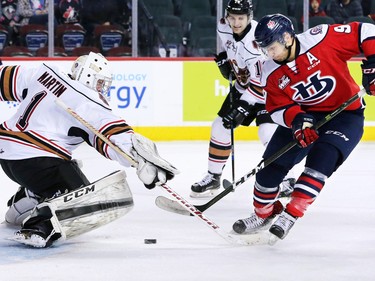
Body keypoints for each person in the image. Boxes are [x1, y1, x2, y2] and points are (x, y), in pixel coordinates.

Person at [0, 52, 178, 247]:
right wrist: (138, 159)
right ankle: (40, 227)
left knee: (69, 168)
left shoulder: (44, 73)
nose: (102, 89)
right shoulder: (86, 100)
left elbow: (4, 79)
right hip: (37, 161)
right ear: (87, 75)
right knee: (83, 198)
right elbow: (112, 134)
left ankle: (27, 199)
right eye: (101, 83)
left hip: (7, 154)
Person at [232, 13, 375, 241]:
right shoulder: (270, 71)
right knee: (267, 172)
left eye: (273, 47)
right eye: (265, 49)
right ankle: (263, 214)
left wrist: (374, 64)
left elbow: (366, 31)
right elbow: (277, 107)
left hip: (345, 116)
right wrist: (296, 120)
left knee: (321, 160)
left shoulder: (322, 38)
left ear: (288, 37)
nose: (269, 53)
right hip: (306, 116)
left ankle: (291, 214)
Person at [190, 0, 295, 198]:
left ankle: (285, 181)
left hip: (267, 91)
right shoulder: (223, 25)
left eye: (241, 18)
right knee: (220, 127)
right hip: (243, 86)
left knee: (268, 133)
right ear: (227, 17)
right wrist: (225, 60)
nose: (236, 22)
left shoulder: (255, 44)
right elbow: (227, 45)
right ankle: (213, 177)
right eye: (233, 18)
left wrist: (242, 107)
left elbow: (259, 82)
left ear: (249, 17)